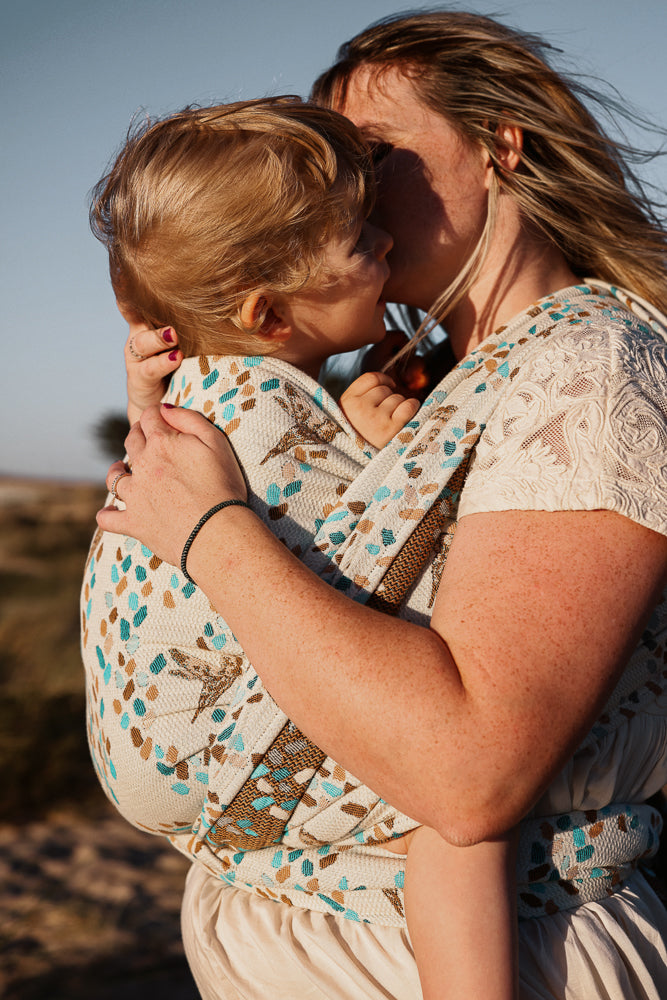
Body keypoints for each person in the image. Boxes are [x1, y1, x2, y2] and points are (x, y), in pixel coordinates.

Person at [95, 10, 667, 999]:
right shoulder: (425, 377)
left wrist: (208, 533)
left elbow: (468, 771)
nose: (346, 190)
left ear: (501, 147)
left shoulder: (590, 371)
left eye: (371, 155)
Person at [83, 96, 521, 1000]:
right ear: (269, 316)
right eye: (362, 242)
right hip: (199, 740)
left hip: (135, 740)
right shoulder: (277, 418)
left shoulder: (209, 385)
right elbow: (386, 556)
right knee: (456, 797)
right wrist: (384, 450)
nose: (388, 244)